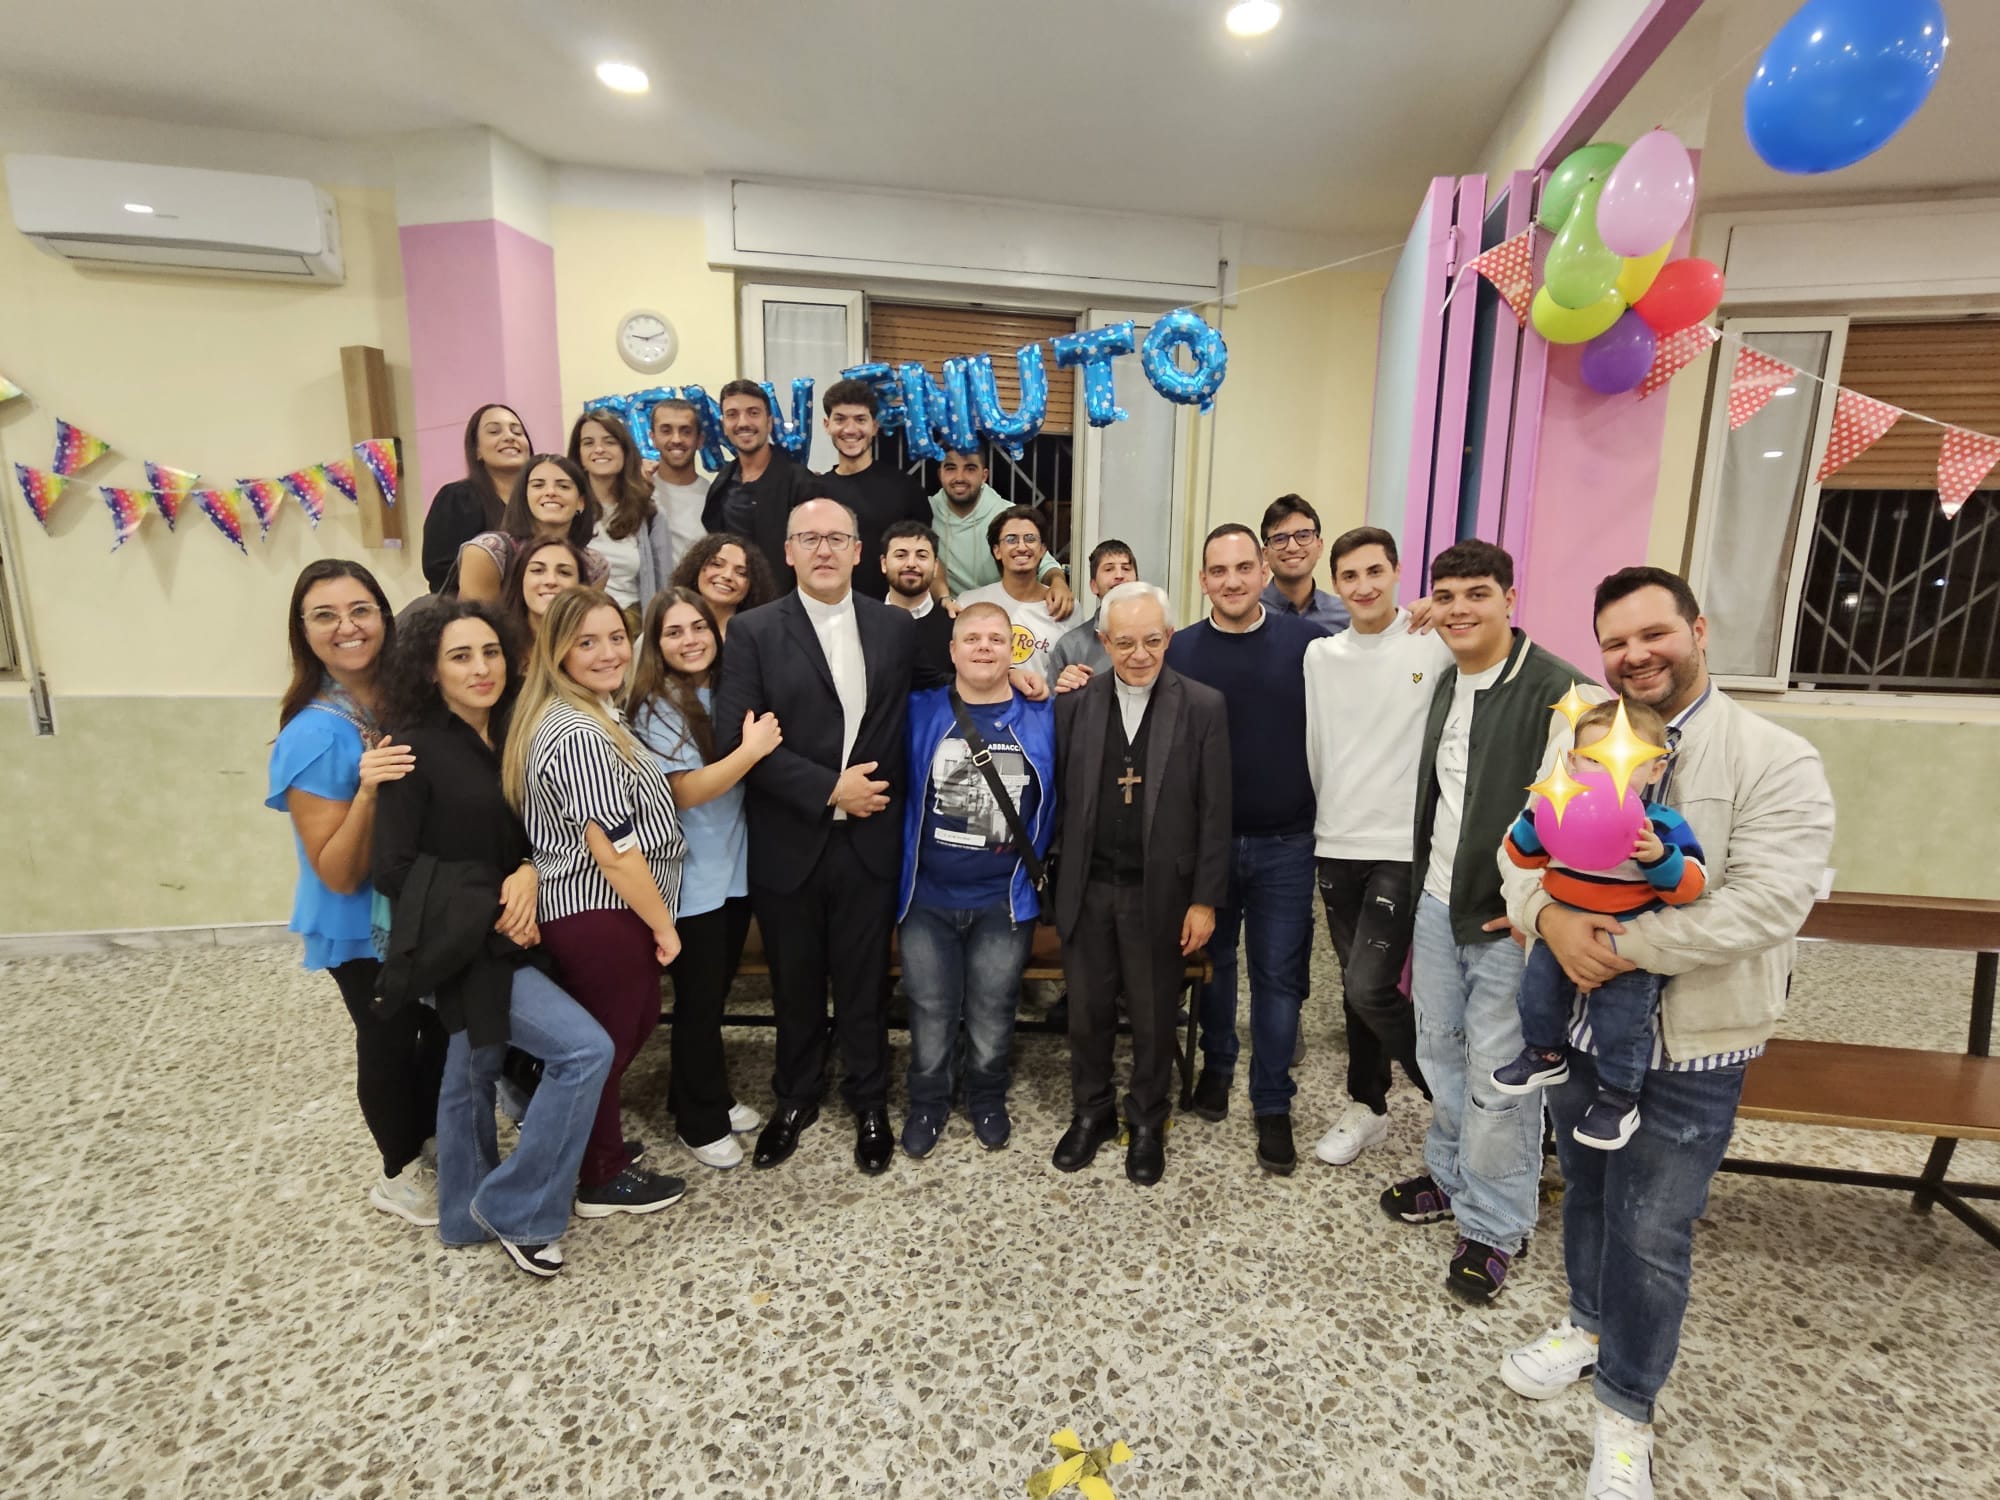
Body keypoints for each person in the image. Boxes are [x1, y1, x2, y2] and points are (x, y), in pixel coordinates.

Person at [1497, 567, 1833, 1498]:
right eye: (1616, 641)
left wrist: (1617, 947)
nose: (1635, 655)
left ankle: (1626, 1410)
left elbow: (1767, 903)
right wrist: (1548, 918)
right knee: (1588, 1192)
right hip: (1581, 1026)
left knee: (1651, 1227)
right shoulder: (1581, 735)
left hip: (1694, 1039)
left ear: (1699, 630)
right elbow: (1519, 849)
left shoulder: (1773, 757)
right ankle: (1587, 1323)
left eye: (1655, 634)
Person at [370, 599, 613, 1279]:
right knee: (584, 1051)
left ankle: (461, 1214)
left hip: (512, 928)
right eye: (460, 656)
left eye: (490, 652)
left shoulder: (514, 731)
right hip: (462, 941)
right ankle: (518, 1208)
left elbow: (535, 831)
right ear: (430, 670)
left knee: (471, 1067)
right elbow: (392, 868)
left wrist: (530, 872)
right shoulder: (411, 746)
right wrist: (496, 897)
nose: (481, 668)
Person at [1380, 538, 1591, 1306]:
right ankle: (1450, 1175)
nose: (1460, 609)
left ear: (1510, 598)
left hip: (1512, 922)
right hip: (1439, 902)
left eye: (1478, 594)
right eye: (1448, 595)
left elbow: (1595, 816)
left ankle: (1497, 1224)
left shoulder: (1562, 693)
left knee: (1499, 1075)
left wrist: (1541, 902)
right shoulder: (1448, 678)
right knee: (1439, 1048)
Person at [712, 498, 916, 1175]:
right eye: (809, 538)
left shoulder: (894, 626)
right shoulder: (753, 631)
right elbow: (735, 740)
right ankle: (795, 1098)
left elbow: (939, 689)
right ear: (789, 551)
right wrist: (829, 788)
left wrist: (1030, 677)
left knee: (865, 984)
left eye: (836, 538)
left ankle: (869, 1100)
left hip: (869, 841)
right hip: (788, 839)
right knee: (794, 984)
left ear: (858, 551)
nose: (823, 549)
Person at [503, 587, 689, 1217]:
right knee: (608, 1040)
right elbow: (613, 848)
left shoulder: (594, 712)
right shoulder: (578, 730)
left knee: (627, 1027)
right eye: (587, 642)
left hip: (607, 908)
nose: (609, 653)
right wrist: (664, 925)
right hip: (600, 908)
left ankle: (593, 1145)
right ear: (558, 651)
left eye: (615, 638)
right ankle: (599, 1175)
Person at [265, 559, 441, 1225]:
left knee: (437, 1028)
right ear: (304, 632)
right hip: (358, 921)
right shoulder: (313, 734)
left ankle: (434, 1140)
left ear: (384, 618)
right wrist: (368, 790)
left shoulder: (403, 701)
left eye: (360, 609)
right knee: (389, 1038)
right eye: (326, 615)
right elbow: (336, 871)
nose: (348, 627)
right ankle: (400, 1172)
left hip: (420, 906)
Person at [1050, 582, 1230, 1186]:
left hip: (1163, 893)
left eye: (1152, 640)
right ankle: (1092, 1111)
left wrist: (1204, 900)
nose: (1139, 654)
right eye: (1124, 642)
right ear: (1103, 641)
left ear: (1169, 637)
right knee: (1087, 1012)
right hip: (1088, 886)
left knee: (1154, 1016)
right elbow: (1060, 801)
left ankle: (1148, 1120)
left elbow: (1216, 811)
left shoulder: (1203, 706)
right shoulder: (1074, 705)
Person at [1164, 524, 1323, 1175]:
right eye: (1218, 570)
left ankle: (1272, 1101)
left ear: (1263, 572)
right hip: (1208, 844)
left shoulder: (1309, 646)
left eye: (1242, 568)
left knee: (1278, 978)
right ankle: (1218, 1065)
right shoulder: (1179, 650)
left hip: (1288, 841)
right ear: (1203, 579)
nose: (1231, 581)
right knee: (1215, 964)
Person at [1492, 695, 1707, 1149]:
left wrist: (1658, 857)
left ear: (1655, 770)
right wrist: (1534, 820)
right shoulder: (1560, 809)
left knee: (1622, 1024)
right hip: (1558, 932)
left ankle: (1618, 1099)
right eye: (1594, 759)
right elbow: (1520, 858)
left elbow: (1690, 888)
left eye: (1626, 762)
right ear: (1572, 762)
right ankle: (1544, 1053)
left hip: (1626, 944)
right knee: (1536, 993)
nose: (1608, 772)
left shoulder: (1660, 825)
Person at [1303, 526, 1448, 1169]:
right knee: (1354, 984)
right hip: (1336, 839)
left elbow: (1493, 638)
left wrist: (1443, 607)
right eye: (1350, 576)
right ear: (1336, 584)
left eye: (1374, 572)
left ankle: (1455, 1097)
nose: (1363, 586)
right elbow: (1317, 746)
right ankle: (1369, 1105)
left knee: (1369, 985)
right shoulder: (1321, 656)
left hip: (1399, 846)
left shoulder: (1432, 645)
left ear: (1396, 572)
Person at [896, 601, 1056, 1159]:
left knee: (993, 1008)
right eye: (972, 639)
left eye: (996, 639)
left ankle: (987, 1096)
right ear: (953, 650)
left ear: (1013, 650)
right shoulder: (918, 711)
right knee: (930, 1009)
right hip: (926, 899)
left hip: (1004, 901)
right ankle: (928, 1102)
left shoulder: (1044, 715)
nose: (984, 647)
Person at [628, 586, 781, 1169]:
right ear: (655, 643)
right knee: (697, 1003)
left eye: (698, 627)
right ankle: (698, 1122)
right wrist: (751, 751)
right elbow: (683, 791)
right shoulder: (653, 706)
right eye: (674, 632)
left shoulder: (723, 689)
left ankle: (701, 1092)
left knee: (713, 997)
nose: (690, 640)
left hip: (733, 871)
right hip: (690, 879)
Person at [814, 377, 932, 601]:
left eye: (860, 419)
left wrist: (944, 598)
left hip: (891, 613)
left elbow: (927, 555)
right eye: (840, 419)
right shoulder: (814, 492)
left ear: (874, 426)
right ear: (827, 425)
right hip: (827, 610)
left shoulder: (905, 489)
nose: (850, 429)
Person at [702, 379, 818, 590]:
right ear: (724, 426)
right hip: (735, 600)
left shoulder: (801, 483)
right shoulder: (721, 486)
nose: (743, 422)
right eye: (732, 415)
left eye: (753, 413)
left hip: (787, 603)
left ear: (769, 422)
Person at [929, 446, 1072, 614]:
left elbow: (1044, 564)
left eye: (970, 468)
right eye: (951, 468)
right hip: (953, 613)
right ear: (940, 474)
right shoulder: (926, 512)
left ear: (984, 476)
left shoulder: (1007, 516)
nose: (959, 477)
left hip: (1006, 614)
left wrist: (1059, 584)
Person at [451, 454, 606, 602]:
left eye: (563, 486)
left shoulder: (594, 566)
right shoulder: (488, 552)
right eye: (538, 485)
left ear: (581, 502)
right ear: (524, 497)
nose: (551, 492)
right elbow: (474, 618)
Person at [958, 505, 1082, 682]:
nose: (1022, 547)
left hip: (1046, 699)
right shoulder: (969, 603)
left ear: (1042, 549)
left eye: (1030, 539)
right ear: (997, 551)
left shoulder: (1065, 606)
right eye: (1011, 539)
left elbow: (1075, 670)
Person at [568, 409, 676, 610]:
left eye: (609, 442)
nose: (599, 449)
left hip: (632, 620)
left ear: (625, 451)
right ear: (579, 455)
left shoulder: (649, 513)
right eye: (588, 443)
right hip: (578, 618)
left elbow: (664, 585)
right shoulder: (567, 510)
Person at [422, 404, 531, 591]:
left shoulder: (540, 499)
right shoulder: (458, 498)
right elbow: (440, 571)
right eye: (494, 431)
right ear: (477, 451)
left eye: (517, 432)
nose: (509, 437)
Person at [1047, 539, 1138, 687]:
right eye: (1109, 569)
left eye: (1126, 568)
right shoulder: (1070, 646)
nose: (1119, 575)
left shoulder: (1157, 639)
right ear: (1094, 586)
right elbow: (1053, 698)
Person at [1259, 494, 1351, 634]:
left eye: (1303, 536)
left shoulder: (1346, 615)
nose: (1292, 548)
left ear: (1319, 546)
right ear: (1265, 553)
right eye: (1279, 539)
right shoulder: (1250, 612)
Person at [879, 518, 955, 685]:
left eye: (921, 556)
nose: (911, 564)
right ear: (884, 564)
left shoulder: (956, 626)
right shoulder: (862, 624)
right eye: (901, 555)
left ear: (935, 566)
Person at [670, 531, 777, 640]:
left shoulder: (762, 637)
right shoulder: (668, 621)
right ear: (696, 568)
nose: (727, 576)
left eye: (741, 573)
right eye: (717, 564)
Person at [649, 397, 712, 564]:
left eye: (686, 431)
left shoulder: (715, 498)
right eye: (666, 431)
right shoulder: (640, 491)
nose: (676, 439)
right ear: (653, 438)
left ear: (700, 440)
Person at [501, 537, 590, 653]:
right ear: (520, 579)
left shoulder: (595, 646)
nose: (551, 581)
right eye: (538, 570)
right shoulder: (496, 640)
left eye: (564, 573)